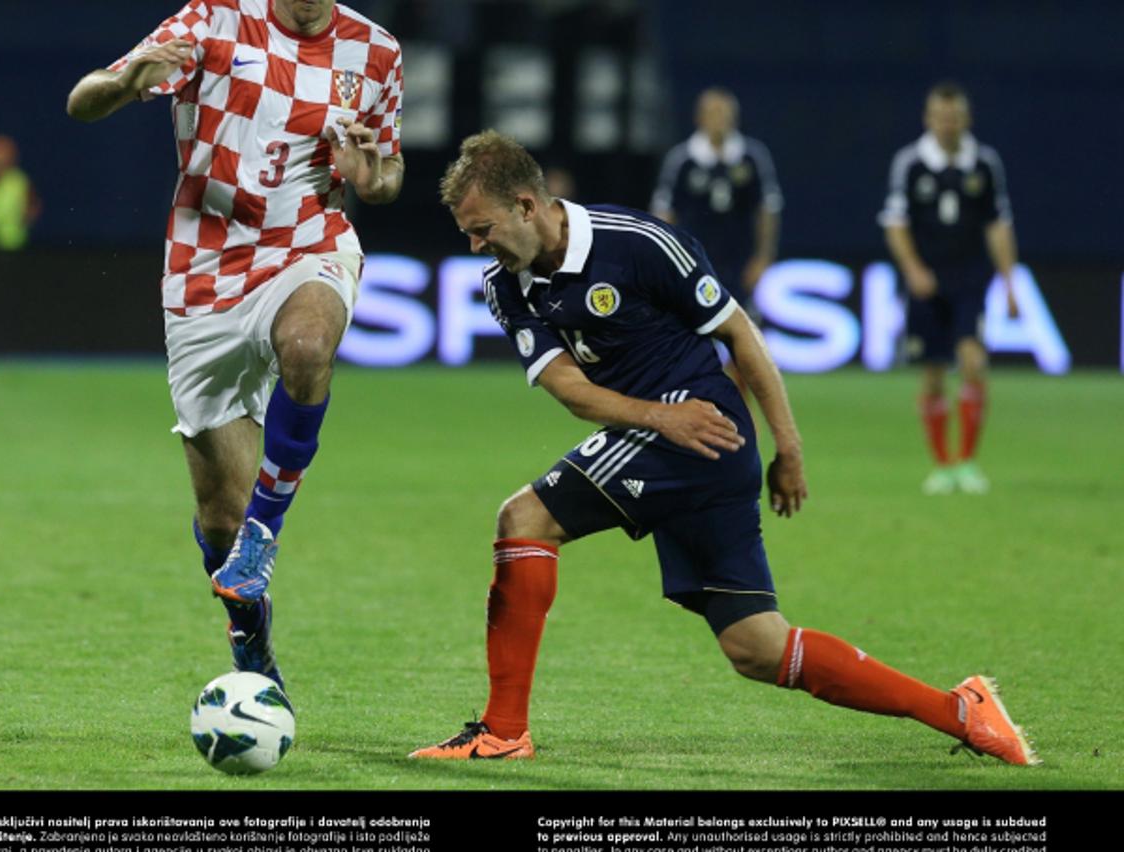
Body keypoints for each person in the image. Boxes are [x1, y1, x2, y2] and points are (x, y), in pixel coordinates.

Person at [409, 130, 1037, 767]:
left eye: (482, 229)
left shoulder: (639, 243)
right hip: (668, 432)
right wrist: (660, 418)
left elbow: (740, 333)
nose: (476, 245)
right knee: (758, 648)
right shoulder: (506, 285)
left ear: (525, 206)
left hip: (702, 429)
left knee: (524, 519)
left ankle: (503, 732)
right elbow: (570, 390)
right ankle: (960, 710)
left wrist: (788, 447)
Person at [66, 0, 404, 691]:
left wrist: (375, 179)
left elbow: (390, 167)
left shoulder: (377, 51)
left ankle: (263, 536)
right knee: (220, 515)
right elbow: (82, 102)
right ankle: (248, 622)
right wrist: (126, 84)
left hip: (308, 245)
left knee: (307, 345)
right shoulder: (212, 19)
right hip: (205, 271)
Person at [879, 82, 1018, 496]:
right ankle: (942, 465)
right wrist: (913, 270)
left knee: (973, 362)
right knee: (934, 373)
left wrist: (1009, 281)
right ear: (929, 119)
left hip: (970, 278)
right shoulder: (910, 163)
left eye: (954, 117)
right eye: (941, 117)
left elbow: (997, 224)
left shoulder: (984, 163)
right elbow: (896, 223)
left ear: (966, 119)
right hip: (927, 282)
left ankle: (968, 462)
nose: (947, 124)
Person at [651, 87, 782, 322]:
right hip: (693, 259)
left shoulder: (752, 156)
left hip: (740, 259)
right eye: (712, 113)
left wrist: (763, 257)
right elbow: (664, 212)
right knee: (692, 321)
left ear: (735, 118)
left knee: (744, 323)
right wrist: (664, 260)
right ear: (699, 118)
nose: (719, 120)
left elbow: (767, 209)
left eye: (724, 113)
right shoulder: (682, 160)